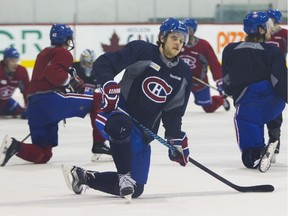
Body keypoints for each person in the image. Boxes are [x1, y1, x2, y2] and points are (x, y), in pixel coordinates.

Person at [62, 18, 192, 199]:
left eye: (182, 39)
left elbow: (174, 111)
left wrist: (175, 138)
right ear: (162, 37)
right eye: (174, 37)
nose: (178, 42)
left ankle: (83, 177)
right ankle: (123, 175)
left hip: (144, 132)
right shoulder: (143, 51)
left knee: (136, 188)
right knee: (121, 126)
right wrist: (108, 83)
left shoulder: (183, 73)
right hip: (115, 114)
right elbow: (104, 63)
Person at [0, 24, 94, 166]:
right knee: (97, 100)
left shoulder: (43, 53)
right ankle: (100, 147)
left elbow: (43, 79)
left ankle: (15, 146)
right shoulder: (64, 53)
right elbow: (54, 74)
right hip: (48, 102)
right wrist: (70, 80)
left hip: (35, 107)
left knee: (43, 154)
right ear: (67, 39)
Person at [221, 11, 287, 173]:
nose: (271, 30)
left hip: (248, 103)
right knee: (273, 102)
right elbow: (280, 81)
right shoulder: (272, 51)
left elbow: (227, 80)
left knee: (249, 155)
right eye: (268, 27)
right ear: (261, 29)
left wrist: (231, 92)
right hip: (272, 104)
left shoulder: (230, 49)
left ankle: (256, 151)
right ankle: (274, 136)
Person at [179, 18, 230, 113]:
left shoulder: (203, 45)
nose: (184, 32)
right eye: (183, 29)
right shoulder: (178, 43)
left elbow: (214, 64)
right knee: (171, 104)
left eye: (188, 29)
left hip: (199, 82)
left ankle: (221, 100)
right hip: (180, 81)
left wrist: (219, 81)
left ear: (193, 30)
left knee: (208, 108)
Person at [72, 49, 112, 161]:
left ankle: (99, 144)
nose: (88, 66)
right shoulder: (74, 69)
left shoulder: (98, 72)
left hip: (88, 102)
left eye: (91, 63)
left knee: (99, 111)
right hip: (72, 100)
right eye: (86, 63)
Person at [264, 9, 287, 162]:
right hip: (262, 76)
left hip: (279, 76)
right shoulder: (261, 34)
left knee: (276, 108)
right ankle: (269, 141)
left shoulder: (284, 35)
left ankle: (274, 140)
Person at [0, 47, 29, 119]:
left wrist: (29, 107)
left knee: (24, 112)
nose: (15, 64)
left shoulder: (21, 71)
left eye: (17, 61)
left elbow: (27, 91)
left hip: (5, 103)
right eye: (12, 61)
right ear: (6, 61)